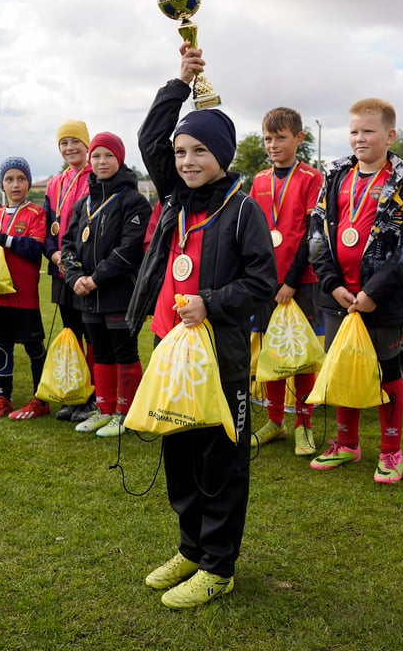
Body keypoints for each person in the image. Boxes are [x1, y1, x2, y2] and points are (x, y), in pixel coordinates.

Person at [126, 44, 275, 609]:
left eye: (200, 152)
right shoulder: (173, 199)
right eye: (182, 151)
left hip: (222, 357)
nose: (187, 161)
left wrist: (209, 303)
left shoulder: (242, 208)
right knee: (179, 455)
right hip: (171, 350)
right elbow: (150, 142)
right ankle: (190, 548)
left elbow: (262, 282)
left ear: (222, 155)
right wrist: (179, 83)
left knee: (221, 462)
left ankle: (219, 565)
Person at [306, 98, 403, 485]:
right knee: (343, 365)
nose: (359, 139)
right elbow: (316, 233)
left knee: (386, 370)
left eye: (369, 131)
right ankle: (346, 443)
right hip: (338, 296)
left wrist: (374, 292)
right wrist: (332, 283)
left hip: (383, 298)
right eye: (354, 131)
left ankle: (391, 451)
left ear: (390, 135)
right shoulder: (335, 174)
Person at [60, 132, 151, 437]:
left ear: (120, 159)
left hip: (118, 293)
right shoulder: (83, 202)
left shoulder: (134, 201)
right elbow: (69, 245)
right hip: (86, 294)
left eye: (108, 156)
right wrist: (75, 278)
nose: (101, 162)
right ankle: (105, 409)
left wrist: (95, 279)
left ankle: (126, 413)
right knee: (100, 351)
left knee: (123, 351)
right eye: (96, 156)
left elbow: (129, 249)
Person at [247, 107, 325, 456]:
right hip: (265, 282)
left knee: (301, 355)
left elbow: (312, 235)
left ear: (299, 138)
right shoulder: (260, 180)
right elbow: (254, 234)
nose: (273, 145)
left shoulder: (312, 179)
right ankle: (275, 421)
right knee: (273, 350)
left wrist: (291, 281)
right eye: (268, 138)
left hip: (301, 281)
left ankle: (304, 425)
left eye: (280, 138)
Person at [0, 156, 52, 420]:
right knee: (0, 344)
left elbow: (34, 249)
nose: (15, 184)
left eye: (21, 179)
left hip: (24, 296)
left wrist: (1, 238)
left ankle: (40, 399)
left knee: (33, 346)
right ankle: (3, 396)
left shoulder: (35, 214)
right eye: (9, 179)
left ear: (28, 183)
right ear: (2, 185)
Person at [44, 119, 96, 422]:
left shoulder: (95, 176)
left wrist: (74, 259)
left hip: (85, 269)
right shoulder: (55, 182)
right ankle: (74, 393)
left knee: (92, 334)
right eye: (64, 143)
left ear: (86, 145)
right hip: (60, 268)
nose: (69, 148)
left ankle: (92, 396)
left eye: (75, 141)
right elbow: (49, 225)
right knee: (71, 331)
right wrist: (53, 254)